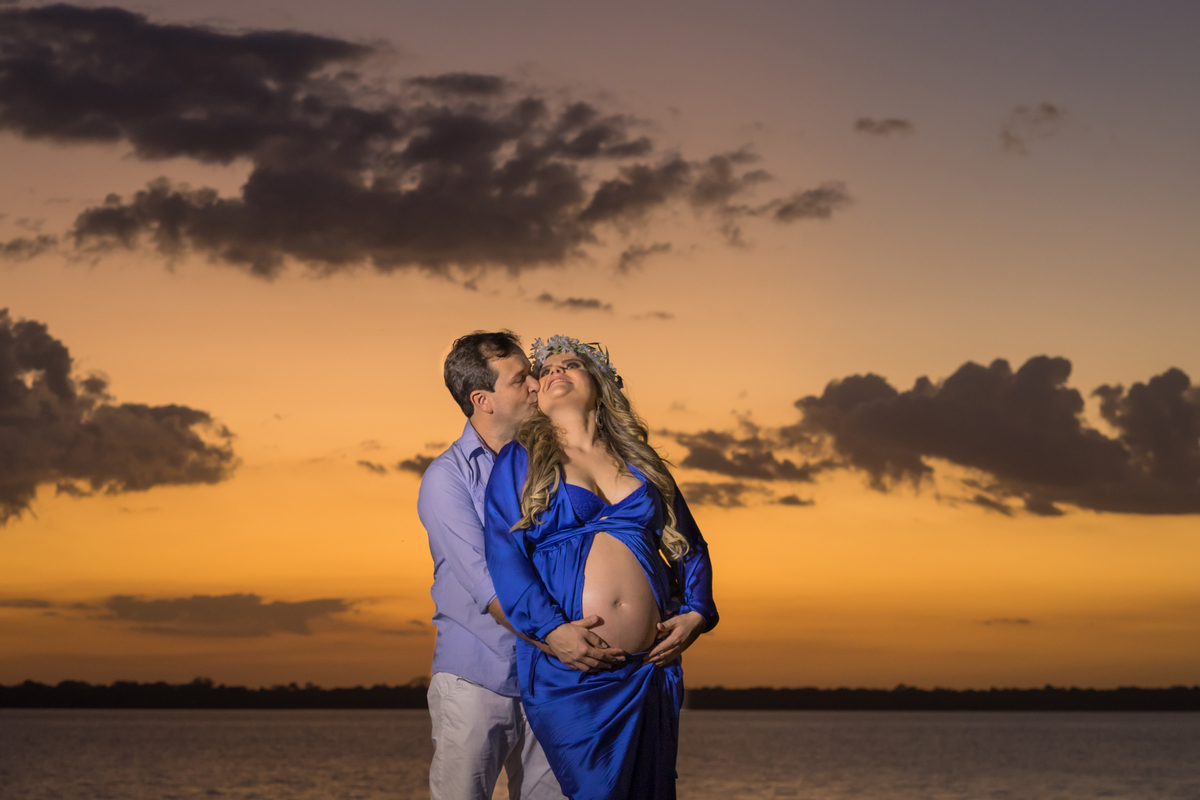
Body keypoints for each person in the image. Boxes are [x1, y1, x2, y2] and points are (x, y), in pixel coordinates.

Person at [483, 335, 718, 800]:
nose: (554, 373)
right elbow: (505, 558)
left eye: (569, 364)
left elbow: (691, 546)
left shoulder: (643, 465)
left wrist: (696, 613)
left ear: (601, 384)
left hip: (650, 669)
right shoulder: (520, 459)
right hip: (573, 671)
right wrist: (552, 631)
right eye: (545, 370)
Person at [419, 331, 572, 800]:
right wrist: (564, 643)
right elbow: (487, 588)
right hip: (476, 679)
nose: (534, 385)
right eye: (520, 378)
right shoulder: (446, 478)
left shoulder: (555, 464)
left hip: (548, 677)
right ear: (482, 399)